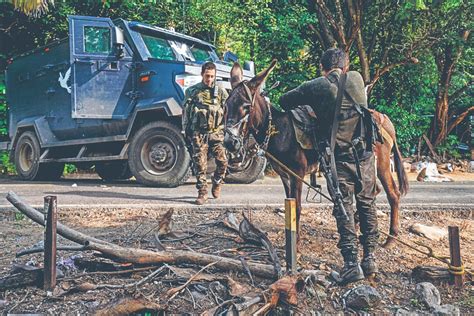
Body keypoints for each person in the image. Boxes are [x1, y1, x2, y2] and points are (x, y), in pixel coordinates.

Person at [279, 48, 379, 285]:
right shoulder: (356, 78)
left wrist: (313, 103)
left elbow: (284, 101)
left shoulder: (317, 86)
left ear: (323, 68)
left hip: (339, 159)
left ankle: (351, 265)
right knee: (367, 204)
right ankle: (370, 259)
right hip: (365, 155)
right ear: (346, 66)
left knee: (343, 208)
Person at [182, 62, 229, 205]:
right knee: (200, 165)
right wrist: (185, 131)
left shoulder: (221, 92)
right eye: (207, 76)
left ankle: (217, 182)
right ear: (202, 74)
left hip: (216, 133)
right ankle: (202, 193)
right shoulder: (192, 91)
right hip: (199, 134)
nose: (209, 79)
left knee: (223, 162)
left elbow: (228, 110)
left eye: (212, 77)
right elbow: (186, 112)